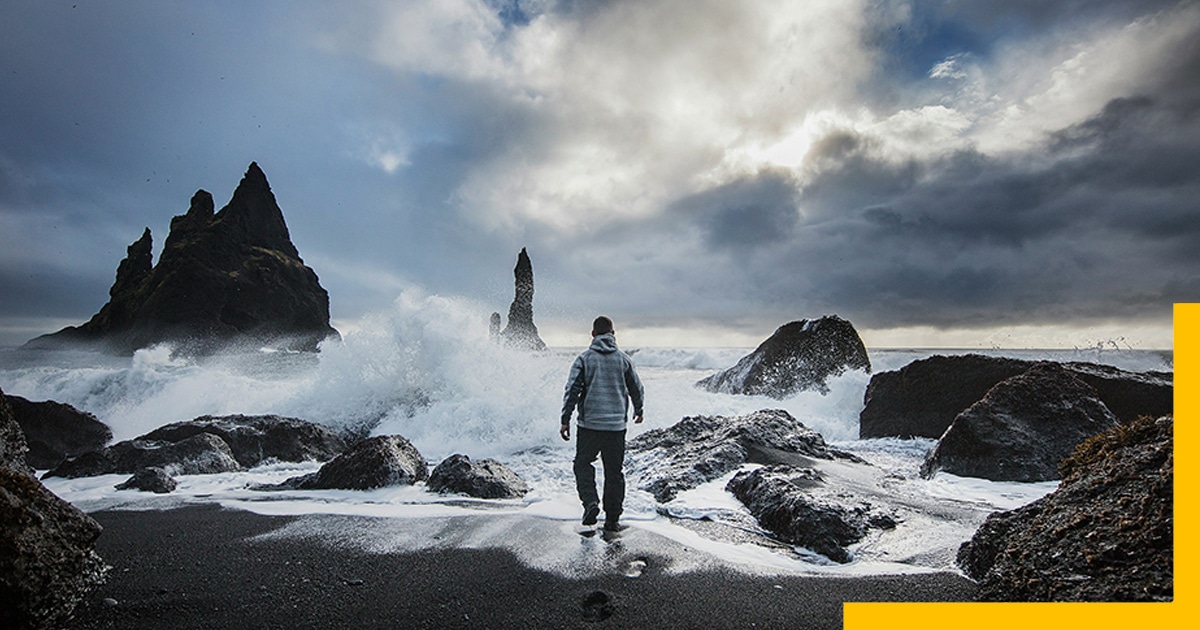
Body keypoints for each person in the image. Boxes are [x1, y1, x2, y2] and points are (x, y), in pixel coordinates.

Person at [560, 316, 644, 532]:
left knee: (582, 464)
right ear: (613, 334)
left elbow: (572, 390)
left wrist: (565, 419)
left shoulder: (584, 359)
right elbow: (636, 387)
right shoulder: (624, 360)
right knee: (614, 472)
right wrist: (639, 409)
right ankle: (612, 520)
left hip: (589, 425)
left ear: (593, 335)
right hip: (616, 427)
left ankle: (590, 503)